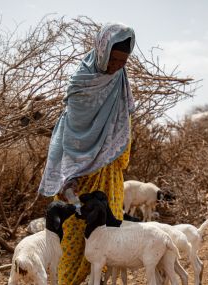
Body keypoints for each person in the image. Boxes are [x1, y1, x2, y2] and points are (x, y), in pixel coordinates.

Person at [37, 22, 135, 285]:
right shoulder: (81, 83)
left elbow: (125, 125)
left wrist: (117, 155)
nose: (117, 65)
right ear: (102, 51)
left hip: (108, 177)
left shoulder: (121, 83)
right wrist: (73, 171)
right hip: (79, 179)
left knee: (104, 241)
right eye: (113, 59)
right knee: (73, 243)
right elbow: (70, 131)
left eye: (123, 61)